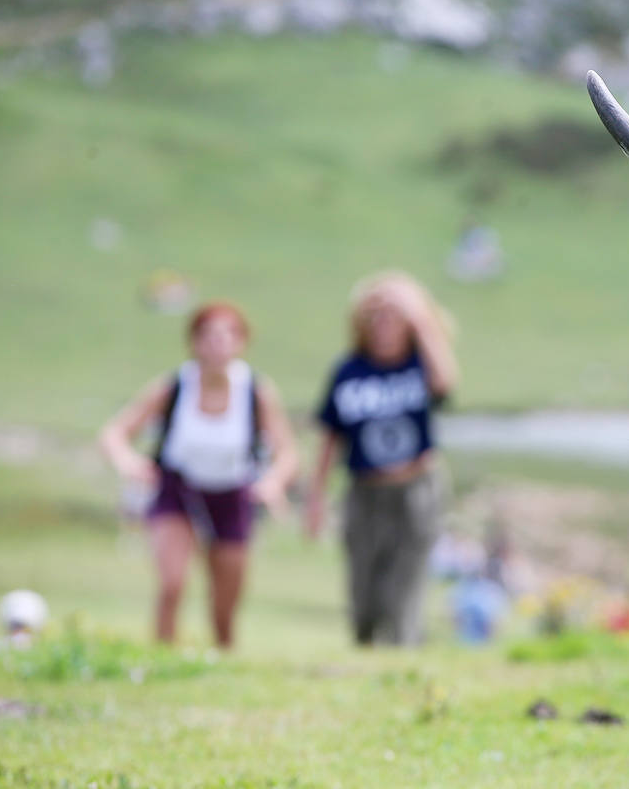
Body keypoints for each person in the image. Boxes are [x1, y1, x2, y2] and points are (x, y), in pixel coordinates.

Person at [98, 303, 297, 648]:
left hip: (233, 493)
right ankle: (161, 656)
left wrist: (273, 482)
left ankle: (222, 657)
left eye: (227, 335)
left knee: (225, 601)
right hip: (179, 489)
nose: (218, 344)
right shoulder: (174, 386)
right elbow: (115, 432)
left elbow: (288, 452)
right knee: (173, 582)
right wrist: (129, 463)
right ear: (194, 343)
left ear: (242, 342)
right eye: (209, 336)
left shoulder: (255, 391)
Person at [307, 271, 458, 645]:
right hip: (365, 490)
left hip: (416, 486)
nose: (384, 323)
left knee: (404, 585)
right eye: (376, 314)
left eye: (394, 315)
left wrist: (419, 315)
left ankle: (404, 651)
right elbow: (330, 438)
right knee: (364, 592)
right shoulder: (348, 370)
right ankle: (367, 649)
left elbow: (447, 384)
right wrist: (316, 498)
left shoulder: (420, 363)